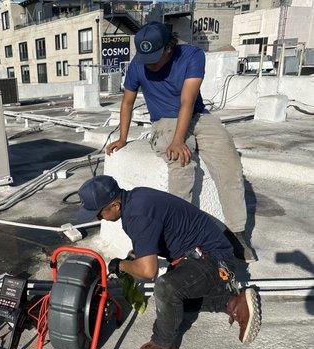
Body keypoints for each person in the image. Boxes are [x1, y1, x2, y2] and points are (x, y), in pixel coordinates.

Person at [77, 175, 262, 349]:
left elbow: (148, 272)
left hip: (215, 260)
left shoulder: (137, 215)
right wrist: (135, 256)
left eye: (98, 213)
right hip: (198, 255)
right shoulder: (135, 199)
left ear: (114, 205)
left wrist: (121, 265)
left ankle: (162, 347)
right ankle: (232, 303)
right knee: (174, 308)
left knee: (166, 288)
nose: (98, 219)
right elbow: (150, 236)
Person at [106, 22, 257, 263]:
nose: (150, 64)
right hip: (163, 121)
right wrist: (123, 138)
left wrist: (179, 139)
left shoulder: (192, 56)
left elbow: (187, 102)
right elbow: (127, 103)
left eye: (154, 57)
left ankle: (236, 233)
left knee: (229, 164)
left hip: (197, 116)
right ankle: (180, 238)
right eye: (145, 58)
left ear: (169, 47)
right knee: (182, 165)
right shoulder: (138, 64)